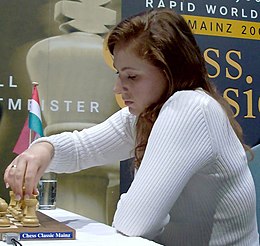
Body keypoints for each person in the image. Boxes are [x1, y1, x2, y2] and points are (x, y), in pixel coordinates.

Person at [4, 8, 259, 245]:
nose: (118, 88)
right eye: (119, 74)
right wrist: (43, 150)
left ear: (170, 71)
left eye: (132, 77)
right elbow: (83, 148)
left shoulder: (190, 107)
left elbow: (133, 223)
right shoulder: (144, 115)